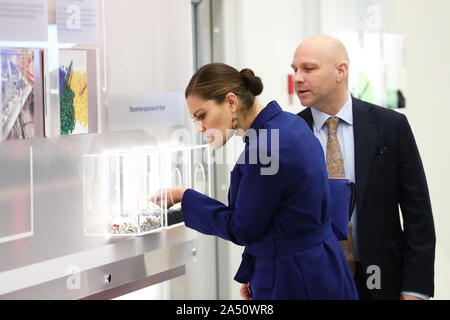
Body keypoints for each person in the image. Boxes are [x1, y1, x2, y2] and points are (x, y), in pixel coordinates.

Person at [151, 62, 358, 300]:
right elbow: (285, 213)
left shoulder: (264, 150)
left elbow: (242, 229)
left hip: (294, 278)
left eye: (202, 116)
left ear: (231, 102)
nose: (199, 128)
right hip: (324, 265)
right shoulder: (292, 124)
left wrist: (184, 196)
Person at [292, 35, 436, 300]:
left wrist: (415, 289)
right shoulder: (287, 134)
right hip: (310, 283)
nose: (298, 78)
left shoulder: (391, 127)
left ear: (341, 71)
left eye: (308, 69)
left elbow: (419, 216)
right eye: (295, 70)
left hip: (380, 279)